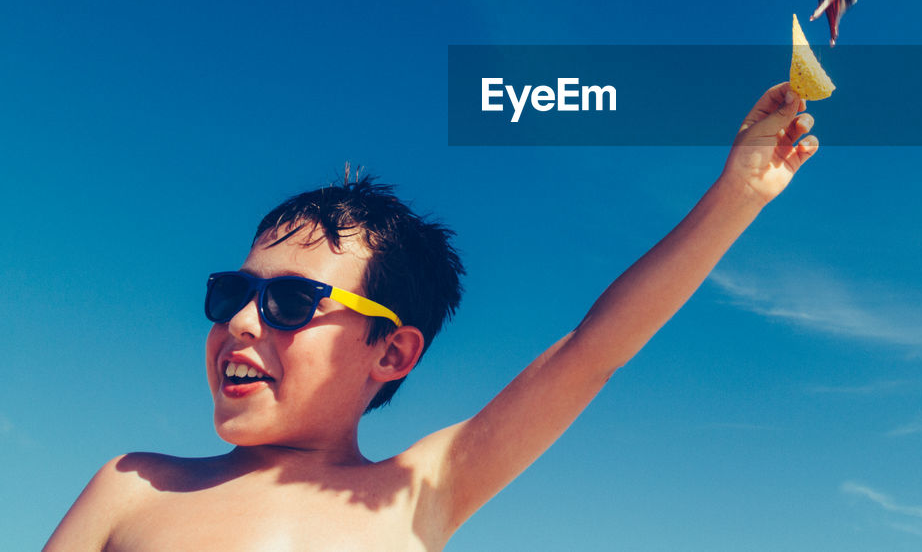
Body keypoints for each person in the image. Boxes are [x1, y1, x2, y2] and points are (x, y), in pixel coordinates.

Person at [43, 83, 818, 551]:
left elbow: (593, 352)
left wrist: (738, 195)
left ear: (393, 352)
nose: (244, 321)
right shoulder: (133, 488)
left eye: (288, 303)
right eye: (231, 294)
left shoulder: (420, 490)